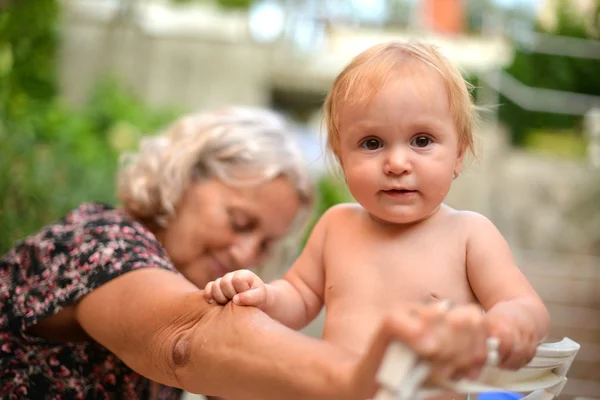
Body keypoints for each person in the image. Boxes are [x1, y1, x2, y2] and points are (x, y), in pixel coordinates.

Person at [0, 106, 492, 400]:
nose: (244, 251)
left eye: (265, 245)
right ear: (184, 176)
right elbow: (184, 337)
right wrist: (361, 379)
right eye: (239, 223)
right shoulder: (99, 238)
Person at [204, 42, 551, 388]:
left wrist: (510, 321)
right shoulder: (335, 226)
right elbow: (299, 296)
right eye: (372, 143)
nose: (397, 164)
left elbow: (523, 303)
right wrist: (265, 296)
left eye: (421, 140)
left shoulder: (469, 235)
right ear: (342, 158)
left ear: (458, 153)